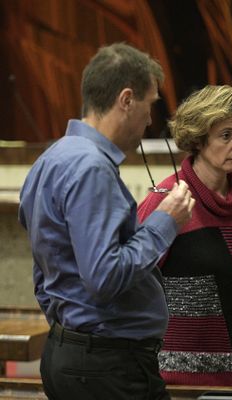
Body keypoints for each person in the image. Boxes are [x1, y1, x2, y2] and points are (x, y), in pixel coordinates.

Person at [18, 43, 195, 400]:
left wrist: (70, 329)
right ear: (126, 100)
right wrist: (165, 222)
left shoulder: (52, 157)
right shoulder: (91, 168)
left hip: (75, 354)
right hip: (107, 367)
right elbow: (105, 276)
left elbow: (43, 271)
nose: (149, 121)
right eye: (150, 106)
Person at [137, 85, 232, 386]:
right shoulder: (166, 199)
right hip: (178, 381)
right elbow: (133, 283)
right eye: (226, 135)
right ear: (198, 139)